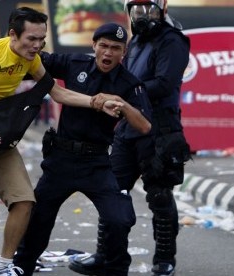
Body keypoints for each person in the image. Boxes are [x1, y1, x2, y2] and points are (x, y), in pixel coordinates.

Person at [0, 7, 125, 276]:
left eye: (42, 39)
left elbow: (58, 93)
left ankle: (2, 267)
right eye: (31, 39)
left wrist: (97, 102)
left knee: (24, 200)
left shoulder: (32, 60)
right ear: (13, 35)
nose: (37, 46)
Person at [12, 22, 152, 276]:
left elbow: (144, 126)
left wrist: (123, 104)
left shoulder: (129, 83)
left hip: (96, 163)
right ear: (94, 46)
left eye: (116, 48)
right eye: (104, 46)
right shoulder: (74, 63)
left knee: (118, 219)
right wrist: (18, 41)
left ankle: (116, 269)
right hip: (60, 160)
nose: (108, 53)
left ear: (124, 52)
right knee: (37, 219)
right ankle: (23, 267)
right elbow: (35, 58)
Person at [69, 1, 191, 276]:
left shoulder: (173, 41)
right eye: (136, 10)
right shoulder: (134, 43)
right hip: (127, 127)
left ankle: (164, 259)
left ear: (163, 10)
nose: (142, 16)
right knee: (111, 193)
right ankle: (106, 256)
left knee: (159, 195)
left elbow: (164, 83)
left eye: (148, 9)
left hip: (160, 129)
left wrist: (122, 94)